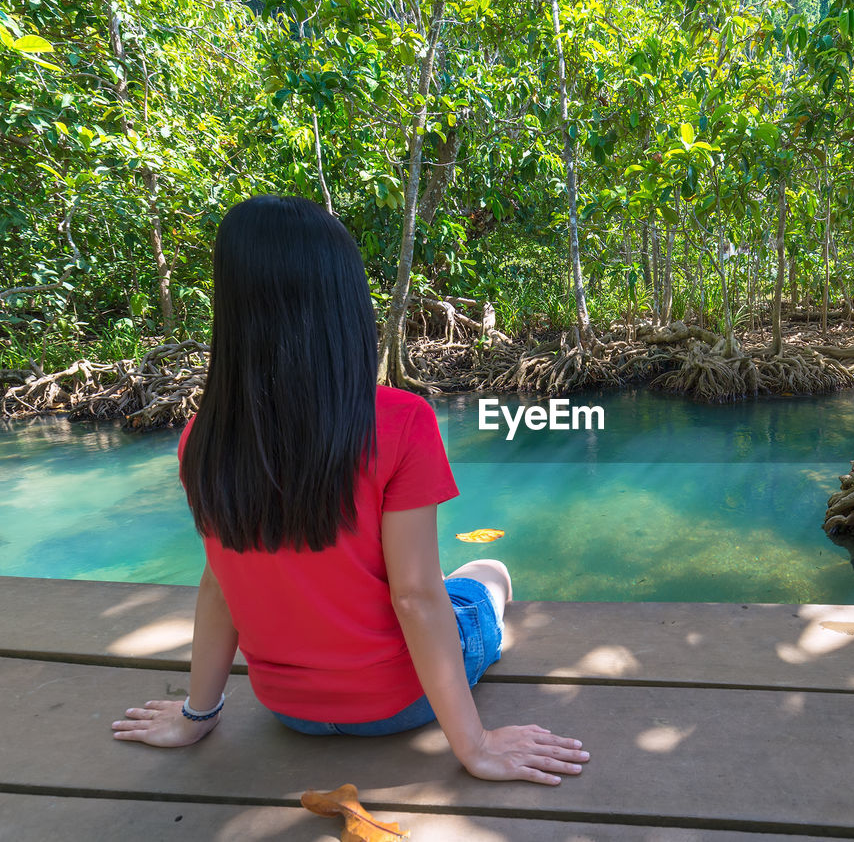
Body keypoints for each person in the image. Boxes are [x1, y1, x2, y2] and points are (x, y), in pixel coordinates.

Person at [110, 195, 588, 786]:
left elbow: (220, 583)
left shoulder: (201, 440)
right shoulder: (401, 421)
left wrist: (196, 714)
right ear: (344, 302)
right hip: (398, 703)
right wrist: (477, 745)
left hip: (291, 710)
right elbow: (414, 597)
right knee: (489, 571)